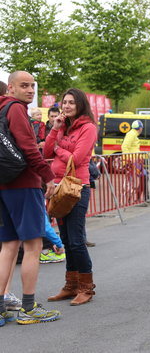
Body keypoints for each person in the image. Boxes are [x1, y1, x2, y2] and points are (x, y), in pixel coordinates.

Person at [0, 71, 60, 325]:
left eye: (33, 85)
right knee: (33, 246)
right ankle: (28, 307)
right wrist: (48, 177)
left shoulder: (2, 109)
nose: (30, 90)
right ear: (10, 88)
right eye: (24, 85)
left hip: (3, 185)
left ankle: (1, 307)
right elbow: (27, 148)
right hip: (24, 184)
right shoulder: (15, 110)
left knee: (9, 246)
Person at [44, 88, 97, 306]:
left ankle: (86, 287)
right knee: (65, 239)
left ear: (80, 105)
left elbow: (76, 159)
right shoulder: (63, 127)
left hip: (76, 187)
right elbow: (46, 152)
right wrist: (55, 130)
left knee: (76, 241)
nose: (66, 106)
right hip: (58, 188)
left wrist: (59, 150)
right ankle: (71, 284)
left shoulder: (88, 128)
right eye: (64, 102)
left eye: (71, 103)